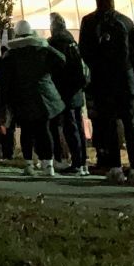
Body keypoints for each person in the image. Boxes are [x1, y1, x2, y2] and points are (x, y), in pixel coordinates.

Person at [78, 0, 134, 183]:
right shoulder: (125, 21)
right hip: (125, 79)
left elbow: (85, 51)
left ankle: (116, 166)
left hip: (103, 81)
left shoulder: (89, 21)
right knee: (130, 124)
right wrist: (128, 66)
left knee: (109, 124)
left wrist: (98, 65)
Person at [0, 20, 66, 177]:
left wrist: (5, 103)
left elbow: (4, 81)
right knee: (44, 130)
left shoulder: (10, 55)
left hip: (21, 98)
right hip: (44, 97)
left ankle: (29, 164)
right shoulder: (41, 51)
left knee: (26, 131)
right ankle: (48, 165)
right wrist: (47, 45)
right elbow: (62, 60)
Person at [47, 12, 88, 175]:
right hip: (76, 90)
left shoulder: (56, 42)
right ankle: (82, 161)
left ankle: (76, 163)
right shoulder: (72, 41)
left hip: (64, 89)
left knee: (70, 127)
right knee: (78, 126)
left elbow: (54, 66)